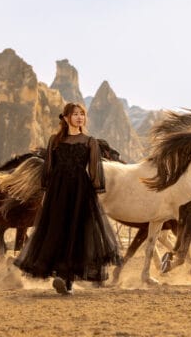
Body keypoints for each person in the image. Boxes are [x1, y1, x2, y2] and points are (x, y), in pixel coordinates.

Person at [13, 102, 121, 295]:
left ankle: (66, 280)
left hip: (81, 191)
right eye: (75, 114)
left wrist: (94, 194)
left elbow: (95, 170)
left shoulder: (90, 141)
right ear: (65, 118)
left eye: (82, 114)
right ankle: (60, 275)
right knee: (57, 231)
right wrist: (46, 192)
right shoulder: (54, 140)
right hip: (57, 191)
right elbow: (48, 168)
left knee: (77, 233)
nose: (79, 117)